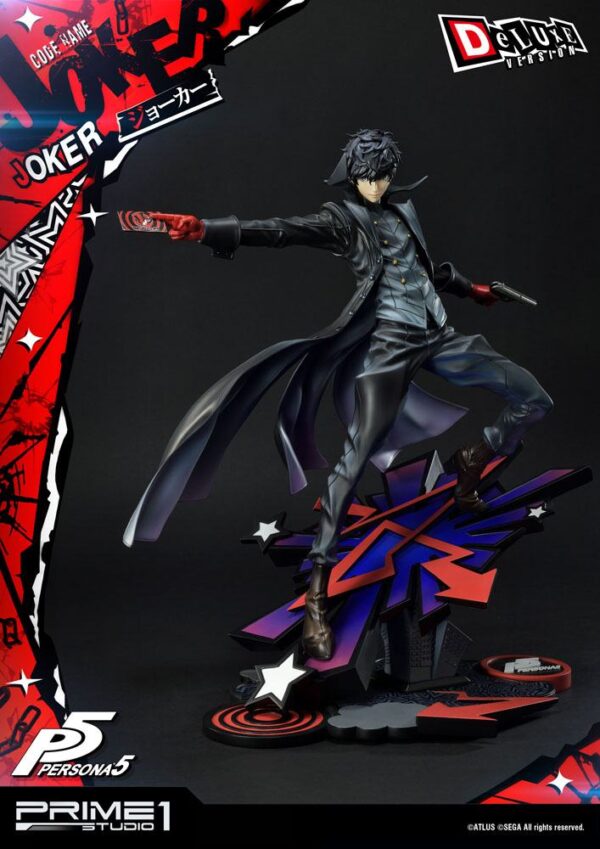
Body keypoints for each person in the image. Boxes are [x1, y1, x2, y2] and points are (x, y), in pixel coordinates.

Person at [123, 129, 552, 661]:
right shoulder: (342, 219)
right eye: (368, 176)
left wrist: (473, 289)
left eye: (384, 175)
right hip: (390, 347)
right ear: (352, 174)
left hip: (440, 339)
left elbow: (422, 269)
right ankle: (318, 594)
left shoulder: (403, 211)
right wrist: (208, 229)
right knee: (353, 462)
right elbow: (283, 231)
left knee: (532, 398)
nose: (377, 185)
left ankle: (473, 459)